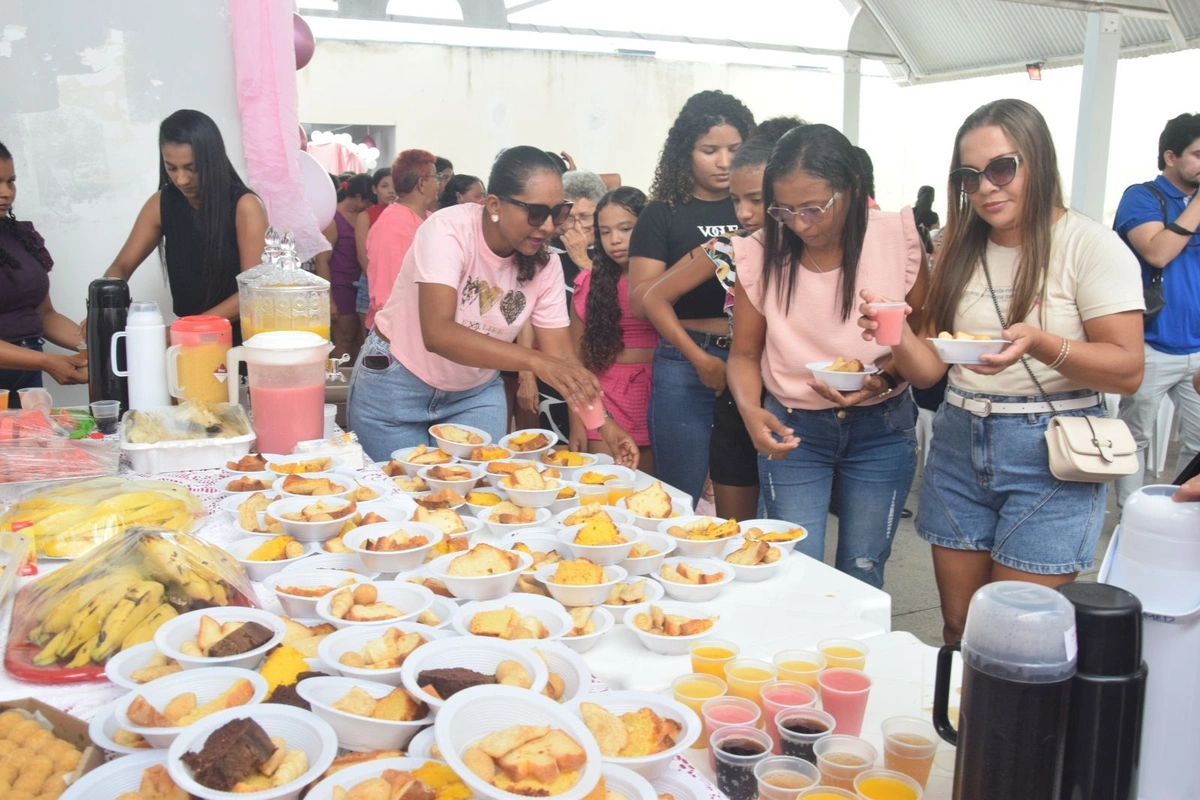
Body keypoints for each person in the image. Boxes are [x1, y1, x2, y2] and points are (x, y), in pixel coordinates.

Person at [870, 99, 1144, 641]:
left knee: (1016, 639)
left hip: (1050, 450)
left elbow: (1127, 369)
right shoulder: (958, 248)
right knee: (961, 627)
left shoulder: (1089, 245)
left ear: (1037, 162)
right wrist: (892, 327)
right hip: (958, 439)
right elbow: (928, 372)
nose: (987, 188)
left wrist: (1041, 343)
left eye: (1002, 168)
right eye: (970, 177)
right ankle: (961, 728)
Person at [348, 145, 640, 468]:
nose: (547, 227)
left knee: (479, 502)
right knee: (404, 500)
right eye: (536, 213)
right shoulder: (448, 231)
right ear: (494, 205)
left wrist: (603, 423)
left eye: (558, 213)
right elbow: (438, 333)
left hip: (473, 394)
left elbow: (561, 357)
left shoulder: (546, 265)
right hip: (397, 384)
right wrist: (535, 362)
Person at [724, 124, 926, 588]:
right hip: (794, 429)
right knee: (796, 569)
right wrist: (752, 412)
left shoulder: (896, 236)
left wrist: (884, 380)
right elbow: (744, 354)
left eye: (814, 208)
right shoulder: (760, 252)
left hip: (883, 425)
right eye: (784, 209)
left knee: (862, 569)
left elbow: (923, 336)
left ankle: (847, 661)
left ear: (851, 189)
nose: (799, 224)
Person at [643, 116, 803, 520]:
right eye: (736, 201)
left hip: (786, 386)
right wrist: (700, 360)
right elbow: (652, 297)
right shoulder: (730, 246)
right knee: (692, 499)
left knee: (781, 512)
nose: (745, 213)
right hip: (723, 372)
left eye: (756, 200)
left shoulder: (811, 253)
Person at [629, 89, 756, 508]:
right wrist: (700, 260)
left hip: (755, 356)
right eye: (709, 150)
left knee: (751, 491)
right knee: (680, 495)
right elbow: (639, 299)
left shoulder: (757, 209)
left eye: (735, 150)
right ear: (686, 151)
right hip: (685, 361)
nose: (724, 162)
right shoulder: (663, 212)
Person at [104, 109, 268, 337]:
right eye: (171, 168)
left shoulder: (245, 206)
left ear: (212, 160)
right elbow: (121, 267)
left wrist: (185, 330)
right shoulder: (161, 203)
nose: (181, 179)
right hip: (189, 337)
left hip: (239, 335)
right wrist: (103, 305)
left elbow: (252, 292)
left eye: (192, 168)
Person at [1114, 113, 1200, 507]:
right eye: (1199, 155)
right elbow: (1159, 252)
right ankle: (1132, 514)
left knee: (1198, 442)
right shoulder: (1142, 196)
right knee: (1133, 437)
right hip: (1151, 344)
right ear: (1170, 156)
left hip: (1197, 350)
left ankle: (1181, 512)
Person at [568, 187, 658, 471]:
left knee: (651, 495)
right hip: (606, 401)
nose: (615, 240)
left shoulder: (669, 277)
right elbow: (576, 362)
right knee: (608, 487)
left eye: (625, 229)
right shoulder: (589, 281)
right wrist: (578, 424)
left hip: (659, 395)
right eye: (605, 232)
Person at [0, 142, 87, 405]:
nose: (6, 193)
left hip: (27, 384)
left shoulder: (20, 237)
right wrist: (47, 361)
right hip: (27, 369)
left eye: (10, 181)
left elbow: (44, 314)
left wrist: (94, 349)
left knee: (33, 445)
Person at [364, 150, 440, 330]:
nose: (439, 185)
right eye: (436, 179)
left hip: (422, 327)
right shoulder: (392, 225)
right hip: (396, 333)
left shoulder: (429, 218)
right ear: (421, 183)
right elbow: (385, 295)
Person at [318, 173, 373, 362]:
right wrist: (329, 299)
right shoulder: (333, 219)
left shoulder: (362, 217)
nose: (369, 206)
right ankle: (340, 385)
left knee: (360, 340)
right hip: (340, 286)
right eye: (368, 201)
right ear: (358, 197)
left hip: (360, 285)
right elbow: (322, 261)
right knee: (344, 340)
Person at [353, 168, 397, 333]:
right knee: (372, 337)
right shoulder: (365, 216)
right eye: (385, 186)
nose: (391, 191)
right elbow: (362, 256)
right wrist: (377, 280)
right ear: (374, 189)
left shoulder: (405, 214)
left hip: (398, 281)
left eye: (394, 185)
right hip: (372, 280)